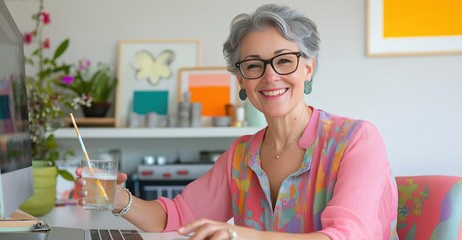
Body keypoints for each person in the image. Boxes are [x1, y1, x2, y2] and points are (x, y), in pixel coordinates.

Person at [75, 3, 398, 239]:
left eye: (284, 60)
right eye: (254, 65)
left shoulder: (356, 139)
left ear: (307, 68)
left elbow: (347, 237)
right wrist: (118, 200)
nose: (270, 77)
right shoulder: (242, 154)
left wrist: (239, 235)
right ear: (241, 80)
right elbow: (175, 217)